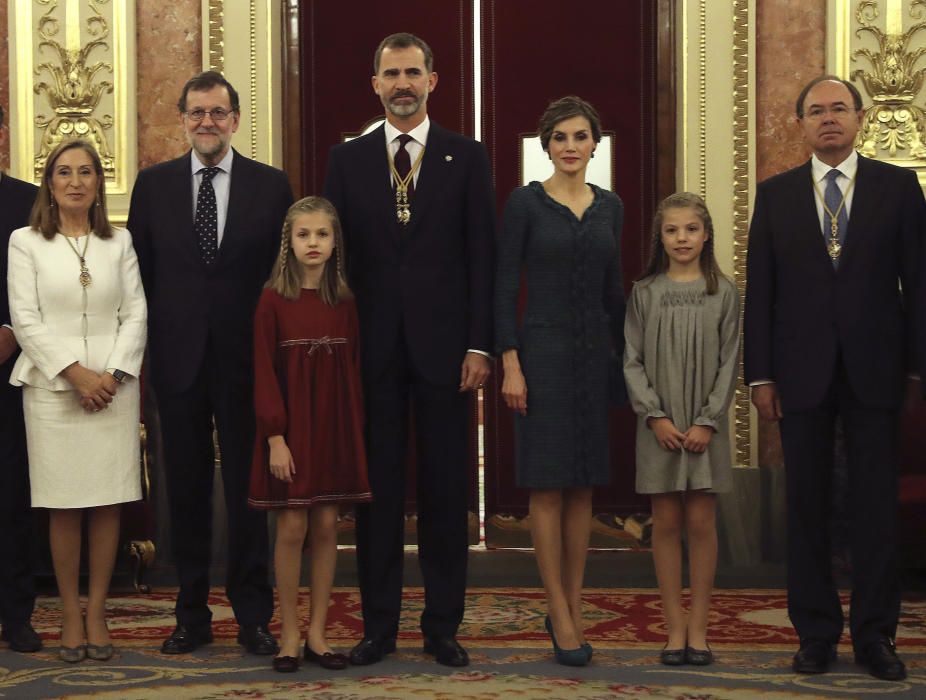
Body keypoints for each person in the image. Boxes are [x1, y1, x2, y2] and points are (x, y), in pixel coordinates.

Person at [744, 75, 924, 681]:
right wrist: (760, 376)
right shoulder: (776, 195)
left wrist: (918, 369)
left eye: (839, 109)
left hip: (877, 370)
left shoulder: (899, 189)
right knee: (808, 507)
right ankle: (815, 634)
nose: (828, 119)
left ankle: (877, 637)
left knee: (876, 508)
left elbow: (919, 286)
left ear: (861, 118)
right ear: (800, 123)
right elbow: (761, 294)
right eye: (815, 111)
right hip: (799, 373)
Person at [324, 33, 495, 668]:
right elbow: (334, 262)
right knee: (379, 498)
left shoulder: (466, 157)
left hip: (450, 356)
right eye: (391, 73)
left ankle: (442, 626)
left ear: (434, 80)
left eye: (413, 72)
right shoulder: (347, 160)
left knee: (448, 492)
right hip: (371, 356)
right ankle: (378, 628)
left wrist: (481, 344)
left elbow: (484, 258)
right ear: (375, 84)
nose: (402, 83)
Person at [127, 71, 294, 656]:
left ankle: (253, 615)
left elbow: (284, 281)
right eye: (196, 112)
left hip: (248, 362)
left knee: (249, 491)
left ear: (235, 119)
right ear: (182, 118)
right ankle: (191, 614)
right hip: (177, 362)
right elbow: (139, 278)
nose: (207, 122)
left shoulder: (273, 188)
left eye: (218, 113)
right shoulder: (153, 186)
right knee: (187, 489)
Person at [495, 96, 624, 667]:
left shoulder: (611, 207)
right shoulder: (524, 205)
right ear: (545, 145)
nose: (571, 146)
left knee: (584, 489)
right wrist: (511, 362)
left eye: (580, 136)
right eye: (560, 137)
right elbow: (502, 288)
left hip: (596, 357)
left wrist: (632, 362)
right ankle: (558, 608)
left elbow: (614, 294)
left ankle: (571, 606)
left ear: (595, 143)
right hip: (540, 355)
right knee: (546, 487)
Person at [8, 139, 147, 662]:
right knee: (63, 505)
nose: (75, 181)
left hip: (114, 389)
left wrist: (109, 375)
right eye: (64, 172)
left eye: (85, 171)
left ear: (97, 182)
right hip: (53, 390)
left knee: (107, 501)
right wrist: (76, 374)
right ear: (50, 182)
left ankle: (97, 611)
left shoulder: (120, 242)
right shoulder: (26, 242)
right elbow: (26, 318)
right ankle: (69, 612)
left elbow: (135, 313)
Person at [247, 196, 372, 673]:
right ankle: (290, 632)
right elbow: (264, 371)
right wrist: (275, 437)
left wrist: (353, 433)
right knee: (293, 526)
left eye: (322, 234)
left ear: (334, 241)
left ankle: (319, 631)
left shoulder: (344, 302)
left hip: (334, 431)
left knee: (325, 527)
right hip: (291, 432)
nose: (313, 243)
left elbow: (354, 372)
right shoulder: (272, 301)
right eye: (304, 235)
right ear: (289, 242)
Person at [623, 192, 739, 667]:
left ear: (706, 233)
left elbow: (730, 361)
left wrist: (708, 421)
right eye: (671, 231)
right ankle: (673, 628)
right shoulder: (644, 292)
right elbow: (631, 360)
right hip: (660, 430)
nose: (682, 238)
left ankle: (699, 628)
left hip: (705, 430)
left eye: (690, 229)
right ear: (661, 238)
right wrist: (656, 416)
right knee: (666, 524)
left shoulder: (724, 292)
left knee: (701, 524)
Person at [0, 104, 41, 655]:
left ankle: (17, 614)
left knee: (11, 495)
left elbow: (41, 277)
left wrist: (12, 329)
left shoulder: (27, 200)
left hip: (9, 365)